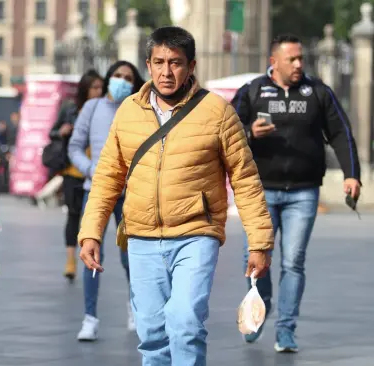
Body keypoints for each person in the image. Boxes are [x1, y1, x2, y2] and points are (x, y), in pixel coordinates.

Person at [77, 26, 274, 365]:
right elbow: (108, 176)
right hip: (141, 236)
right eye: (159, 62)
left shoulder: (217, 112)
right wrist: (91, 232)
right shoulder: (128, 111)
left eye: (176, 63)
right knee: (152, 333)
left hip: (196, 234)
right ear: (149, 65)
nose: (167, 72)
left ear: (192, 66)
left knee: (184, 323)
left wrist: (259, 242)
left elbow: (244, 178)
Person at [231, 33, 361, 353]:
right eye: (292, 59)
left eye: (301, 58)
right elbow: (226, 132)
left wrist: (352, 175)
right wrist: (249, 132)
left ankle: (286, 329)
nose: (299, 64)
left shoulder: (317, 91)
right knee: (257, 259)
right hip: (260, 192)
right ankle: (260, 309)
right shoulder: (252, 92)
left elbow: (340, 134)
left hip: (303, 193)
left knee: (293, 262)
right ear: (273, 62)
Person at [69, 61, 145, 341]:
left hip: (131, 193)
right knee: (91, 252)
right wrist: (90, 169)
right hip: (98, 190)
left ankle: (134, 307)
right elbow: (74, 145)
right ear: (108, 78)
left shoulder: (140, 108)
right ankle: (90, 317)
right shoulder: (93, 107)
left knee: (131, 257)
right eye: (117, 76)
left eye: (128, 77)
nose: (121, 81)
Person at [49, 69, 103, 281]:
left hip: (98, 172)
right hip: (73, 170)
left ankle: (91, 256)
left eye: (101, 87)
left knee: (91, 218)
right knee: (73, 214)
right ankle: (71, 259)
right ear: (85, 90)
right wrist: (61, 131)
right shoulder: (70, 109)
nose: (98, 92)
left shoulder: (105, 109)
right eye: (94, 88)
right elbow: (52, 131)